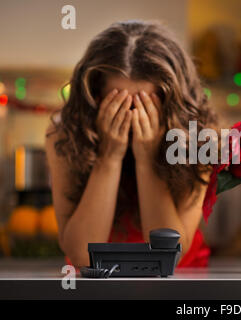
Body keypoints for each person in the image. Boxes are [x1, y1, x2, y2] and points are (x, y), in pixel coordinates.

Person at [45, 20, 215, 268]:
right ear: (95, 97)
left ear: (171, 104)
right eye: (119, 105)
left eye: (146, 106)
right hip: (96, 283)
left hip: (179, 280)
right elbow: (82, 255)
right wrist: (109, 157)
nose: (134, 117)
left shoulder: (199, 136)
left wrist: (147, 160)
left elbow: (169, 254)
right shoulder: (65, 133)